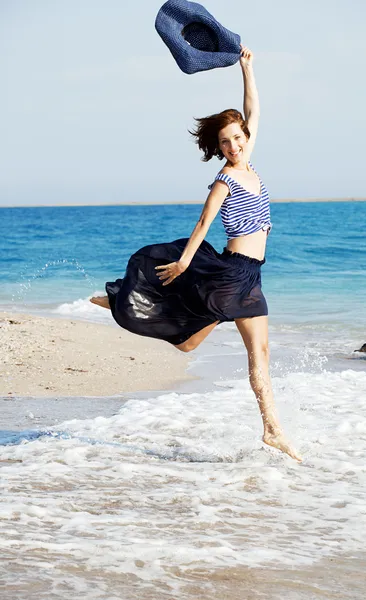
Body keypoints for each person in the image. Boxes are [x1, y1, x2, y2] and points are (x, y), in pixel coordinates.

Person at [91, 45, 302, 462]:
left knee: (225, 349)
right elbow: (204, 222)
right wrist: (186, 259)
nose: (234, 146)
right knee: (201, 343)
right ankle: (122, 301)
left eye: (238, 138)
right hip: (233, 275)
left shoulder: (249, 161)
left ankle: (272, 430)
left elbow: (253, 111)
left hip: (251, 276)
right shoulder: (225, 179)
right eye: (226, 143)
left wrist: (247, 69)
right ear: (220, 148)